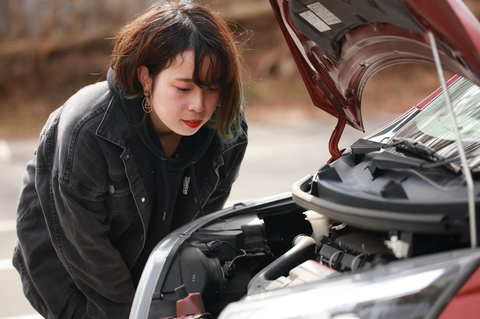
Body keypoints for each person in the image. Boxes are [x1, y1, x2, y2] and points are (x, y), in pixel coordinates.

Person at [12, 1, 248, 318]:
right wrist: (134, 313)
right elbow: (85, 247)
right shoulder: (90, 129)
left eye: (212, 88)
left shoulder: (226, 130)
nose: (198, 105)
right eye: (183, 88)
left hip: (153, 275)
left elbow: (203, 220)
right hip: (70, 275)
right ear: (146, 78)